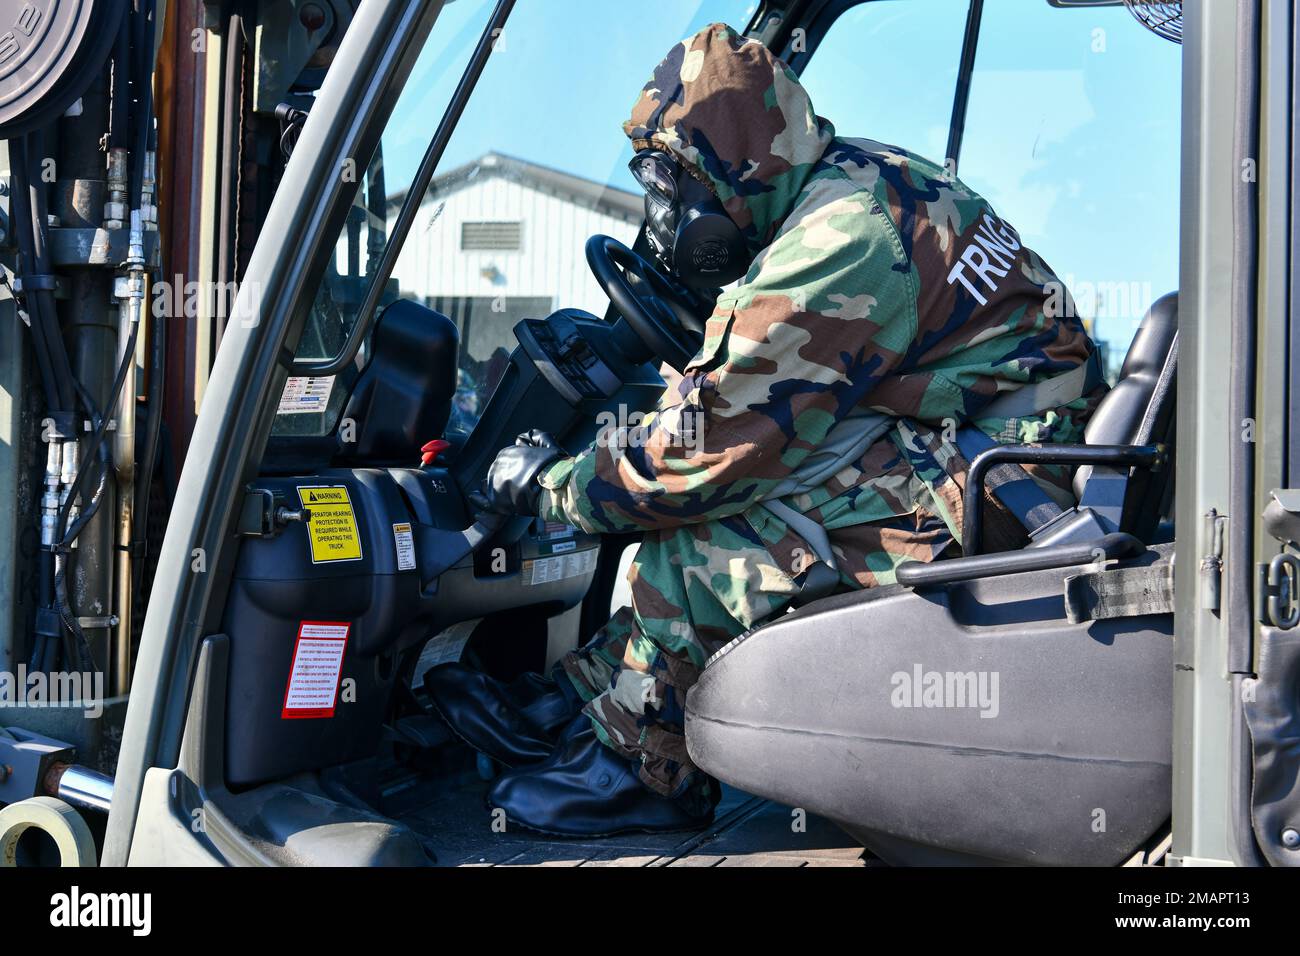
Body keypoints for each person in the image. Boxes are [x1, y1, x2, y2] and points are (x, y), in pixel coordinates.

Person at [426, 22, 1104, 837]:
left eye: (677, 189)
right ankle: (583, 700)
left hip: (1009, 489)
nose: (669, 216)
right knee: (727, 489)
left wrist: (546, 486)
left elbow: (693, 463)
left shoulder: (837, 241)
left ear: (734, 170)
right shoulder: (848, 177)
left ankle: (643, 770)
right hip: (989, 445)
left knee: (708, 537)